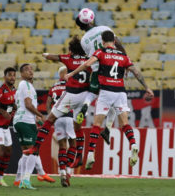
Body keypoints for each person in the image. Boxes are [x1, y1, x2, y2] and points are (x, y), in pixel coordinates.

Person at [65, 30, 154, 169]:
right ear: (114, 41)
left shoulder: (101, 52)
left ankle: (90, 155)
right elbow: (136, 72)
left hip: (106, 91)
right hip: (121, 93)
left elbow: (87, 64)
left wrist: (72, 73)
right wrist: (147, 88)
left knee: (96, 124)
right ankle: (134, 145)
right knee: (125, 123)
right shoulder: (123, 55)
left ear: (102, 41)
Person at [23, 36, 90, 169]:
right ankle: (79, 156)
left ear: (71, 50)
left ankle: (35, 148)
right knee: (78, 128)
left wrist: (44, 54)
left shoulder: (69, 58)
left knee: (50, 119)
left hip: (71, 95)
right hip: (84, 97)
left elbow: (52, 57)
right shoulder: (89, 61)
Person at [75, 8, 128, 145]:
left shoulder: (84, 40)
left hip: (96, 70)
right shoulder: (104, 28)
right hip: (111, 68)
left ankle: (86, 105)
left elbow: (90, 58)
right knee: (115, 99)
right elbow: (119, 45)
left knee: (94, 94)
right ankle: (108, 127)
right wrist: (125, 62)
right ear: (92, 19)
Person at [13, 64, 55, 190]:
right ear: (21, 74)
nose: (30, 71)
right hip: (25, 121)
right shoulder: (25, 85)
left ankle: (20, 180)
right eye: (27, 70)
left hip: (20, 120)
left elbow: (19, 105)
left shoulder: (24, 86)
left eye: (31, 69)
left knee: (26, 153)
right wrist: (41, 116)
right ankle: (26, 180)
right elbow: (28, 105)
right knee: (33, 151)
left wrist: (35, 118)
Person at [46, 66, 76, 187]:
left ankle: (62, 171)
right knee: (73, 143)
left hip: (57, 118)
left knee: (62, 145)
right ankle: (68, 170)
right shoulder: (71, 85)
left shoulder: (53, 87)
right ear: (64, 74)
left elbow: (48, 102)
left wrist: (50, 116)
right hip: (68, 116)